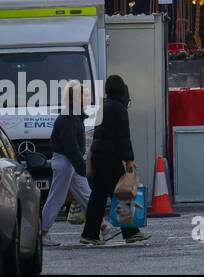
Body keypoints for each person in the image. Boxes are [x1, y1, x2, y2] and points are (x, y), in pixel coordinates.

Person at [81, 75, 149, 246]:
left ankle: (89, 234)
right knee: (123, 194)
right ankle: (131, 232)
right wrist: (129, 159)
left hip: (98, 156)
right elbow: (123, 137)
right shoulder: (119, 108)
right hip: (110, 158)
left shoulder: (103, 107)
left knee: (98, 197)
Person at [41, 82, 92, 244]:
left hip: (69, 162)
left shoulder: (72, 115)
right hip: (66, 161)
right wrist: (82, 167)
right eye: (84, 95)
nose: (88, 97)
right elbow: (71, 147)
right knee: (57, 197)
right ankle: (41, 233)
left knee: (85, 194)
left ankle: (103, 227)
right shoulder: (69, 117)